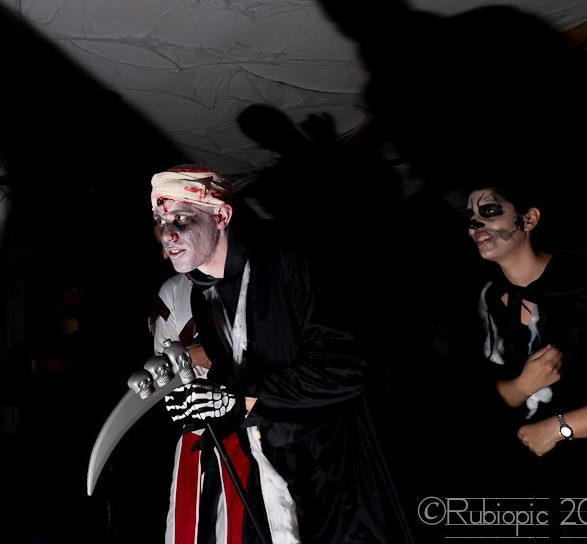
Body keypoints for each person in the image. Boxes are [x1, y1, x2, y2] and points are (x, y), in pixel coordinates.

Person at [150, 165, 415, 544]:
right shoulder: (203, 295)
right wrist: (207, 404)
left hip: (338, 474)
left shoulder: (289, 257)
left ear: (221, 216)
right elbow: (237, 385)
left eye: (181, 219)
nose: (167, 234)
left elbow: (349, 366)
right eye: (161, 221)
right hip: (270, 472)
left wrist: (240, 399)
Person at [462, 176, 587, 502]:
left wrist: (559, 428)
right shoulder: (485, 301)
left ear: (529, 219)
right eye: (470, 216)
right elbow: (466, 403)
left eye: (489, 211)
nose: (475, 224)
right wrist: (522, 385)